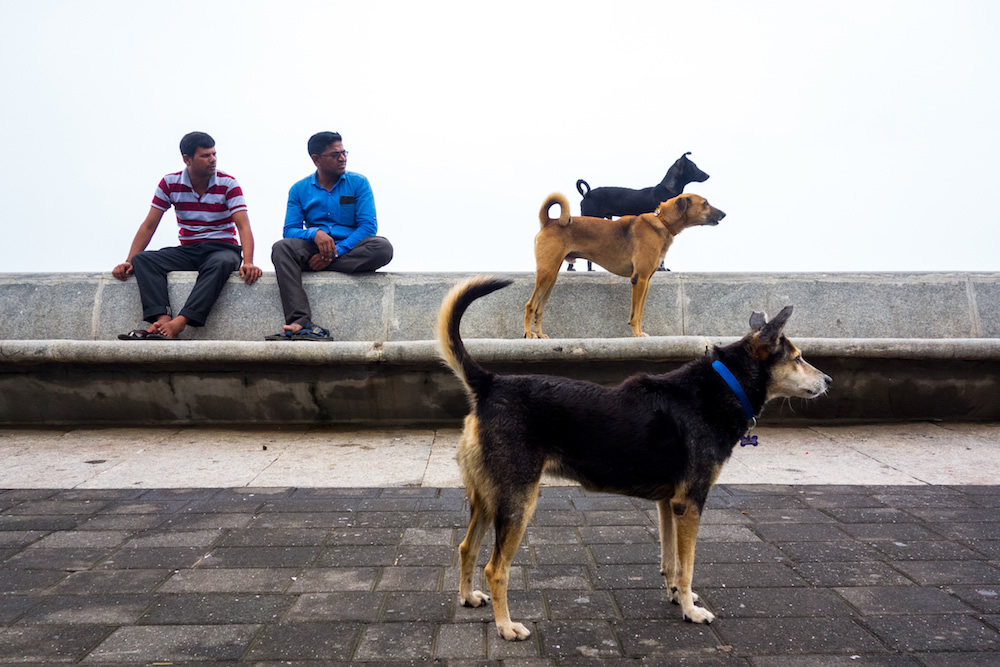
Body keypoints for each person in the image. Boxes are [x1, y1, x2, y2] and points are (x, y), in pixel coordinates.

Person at [112, 131, 261, 339]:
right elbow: (149, 225)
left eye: (214, 154)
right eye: (205, 155)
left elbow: (243, 226)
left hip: (222, 248)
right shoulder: (170, 183)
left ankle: (180, 322)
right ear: (187, 159)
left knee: (221, 264)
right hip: (190, 249)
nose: (213, 160)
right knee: (143, 260)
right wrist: (129, 260)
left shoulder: (228, 183)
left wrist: (249, 261)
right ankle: (163, 320)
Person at [268, 131, 393, 341]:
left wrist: (334, 253)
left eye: (344, 153)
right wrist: (314, 233)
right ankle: (300, 322)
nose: (342, 158)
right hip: (313, 246)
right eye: (335, 155)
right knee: (281, 248)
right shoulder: (299, 190)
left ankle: (321, 263)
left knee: (382, 248)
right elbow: (290, 230)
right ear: (316, 159)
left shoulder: (358, 183)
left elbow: (368, 226)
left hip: (349, 247)